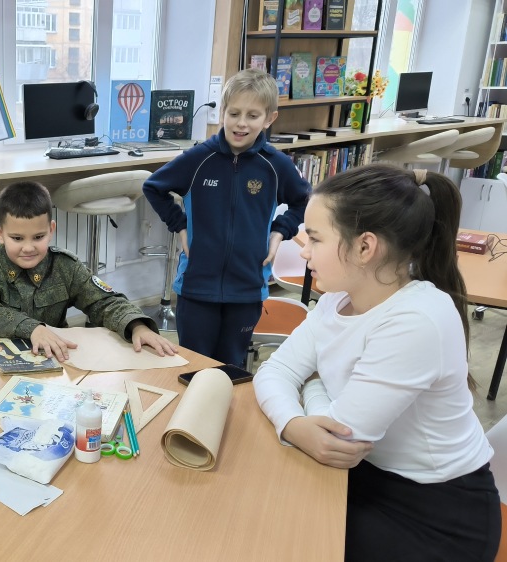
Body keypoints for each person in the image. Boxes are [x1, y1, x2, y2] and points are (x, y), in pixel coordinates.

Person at [253, 165, 500, 561]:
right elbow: (274, 371)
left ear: (365, 247)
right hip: (364, 477)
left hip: (434, 514)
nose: (303, 251)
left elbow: (341, 440)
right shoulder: (337, 301)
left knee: (285, 539)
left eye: (315, 238)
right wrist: (295, 424)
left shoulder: (418, 319)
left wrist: (311, 383)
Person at [142, 67, 310, 367]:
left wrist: (279, 232)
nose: (241, 123)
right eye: (234, 113)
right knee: (195, 366)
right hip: (196, 287)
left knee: (232, 366)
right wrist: (180, 226)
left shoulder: (276, 165)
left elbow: (303, 199)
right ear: (223, 112)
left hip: (247, 289)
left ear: (269, 118)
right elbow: (153, 187)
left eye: (252, 115)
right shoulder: (199, 158)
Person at [0, 180, 177, 360]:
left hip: (53, 359)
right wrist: (33, 329)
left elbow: (104, 302)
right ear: (0, 234)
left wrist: (137, 325)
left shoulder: (64, 266)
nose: (28, 248)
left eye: (38, 237)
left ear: (51, 230)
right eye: (17, 238)